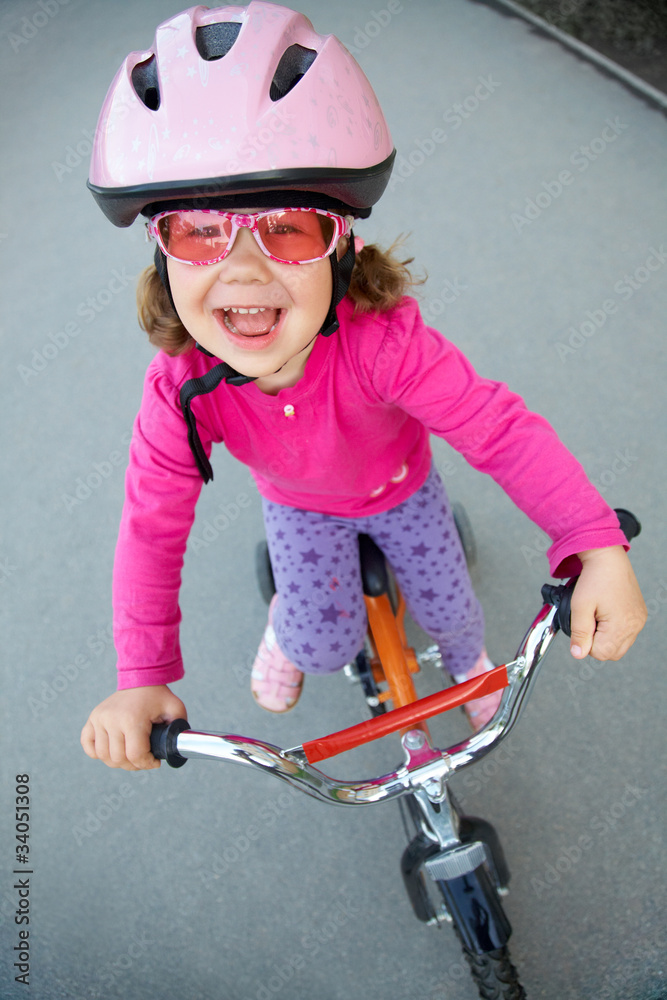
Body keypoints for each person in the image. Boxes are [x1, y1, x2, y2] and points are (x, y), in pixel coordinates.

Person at [81, 2, 646, 771]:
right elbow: (152, 526)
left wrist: (593, 540)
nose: (243, 268)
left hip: (403, 491)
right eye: (197, 230)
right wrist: (141, 675)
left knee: (453, 614)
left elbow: (499, 430)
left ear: (342, 249)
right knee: (320, 642)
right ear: (162, 257)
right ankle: (288, 619)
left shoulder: (384, 344)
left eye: (287, 226)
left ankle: (464, 653)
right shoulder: (180, 390)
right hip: (298, 508)